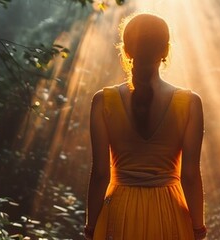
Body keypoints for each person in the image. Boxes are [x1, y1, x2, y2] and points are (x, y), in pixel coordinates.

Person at [84, 13, 207, 240]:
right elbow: (189, 175)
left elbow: (101, 174)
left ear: (127, 50)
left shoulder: (103, 101)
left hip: (119, 213)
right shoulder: (190, 103)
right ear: (166, 51)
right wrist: (198, 227)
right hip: (170, 213)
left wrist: (91, 227)